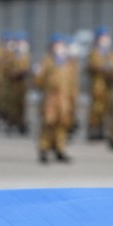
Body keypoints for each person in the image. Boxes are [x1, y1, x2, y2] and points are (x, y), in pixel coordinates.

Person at [35, 33, 76, 163]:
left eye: (61, 45)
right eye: (57, 45)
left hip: (64, 100)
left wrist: (72, 99)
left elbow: (73, 83)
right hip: (51, 99)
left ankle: (60, 149)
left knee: (62, 125)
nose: (59, 48)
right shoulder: (47, 61)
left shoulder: (69, 63)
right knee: (48, 123)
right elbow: (38, 82)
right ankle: (44, 149)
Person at [85, 26, 113, 141]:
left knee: (107, 109)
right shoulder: (93, 53)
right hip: (98, 84)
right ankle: (94, 131)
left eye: (107, 38)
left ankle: (103, 130)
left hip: (108, 85)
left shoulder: (110, 53)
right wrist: (102, 67)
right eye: (103, 38)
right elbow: (91, 66)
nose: (105, 41)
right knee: (96, 109)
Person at [3, 32, 31, 135]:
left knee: (22, 106)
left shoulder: (26, 56)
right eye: (20, 42)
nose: (21, 45)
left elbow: (27, 68)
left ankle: (21, 124)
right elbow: (7, 70)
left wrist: (26, 72)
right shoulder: (11, 56)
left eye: (23, 42)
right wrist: (16, 73)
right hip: (13, 85)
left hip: (22, 85)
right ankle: (10, 124)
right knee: (12, 106)